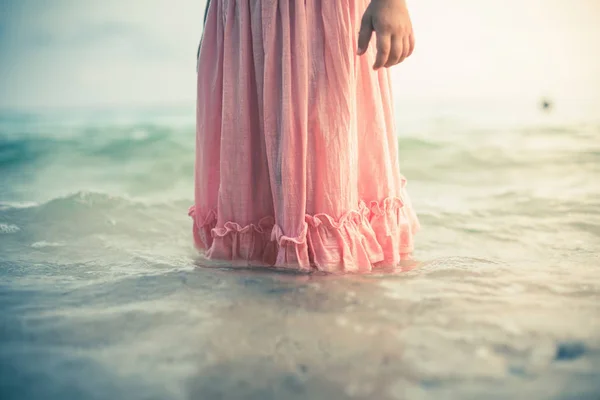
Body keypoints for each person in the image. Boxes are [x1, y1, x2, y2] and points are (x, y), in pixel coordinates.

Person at [189, 0, 420, 273]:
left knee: (329, 190)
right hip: (241, 17)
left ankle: (334, 299)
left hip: (320, 14)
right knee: (247, 263)